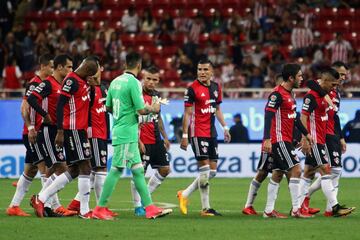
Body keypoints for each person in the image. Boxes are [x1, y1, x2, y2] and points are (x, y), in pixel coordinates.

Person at [92, 52, 172, 220]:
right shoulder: (134, 82)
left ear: (125, 64)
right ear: (139, 66)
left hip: (123, 130)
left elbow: (108, 107)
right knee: (116, 169)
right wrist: (154, 107)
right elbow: (142, 109)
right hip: (126, 133)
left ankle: (149, 208)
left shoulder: (114, 82)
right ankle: (100, 208)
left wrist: (125, 114)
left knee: (137, 170)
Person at [30, 56, 100, 219]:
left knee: (75, 170)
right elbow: (61, 104)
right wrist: (60, 131)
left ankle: (41, 198)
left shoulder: (83, 82)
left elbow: (87, 107)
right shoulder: (72, 81)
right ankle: (84, 211)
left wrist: (92, 86)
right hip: (72, 129)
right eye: (93, 74)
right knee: (85, 167)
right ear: (88, 70)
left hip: (80, 130)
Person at [299, 67, 355, 217]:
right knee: (326, 171)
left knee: (308, 172)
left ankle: (299, 205)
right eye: (333, 84)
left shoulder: (327, 94)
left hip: (322, 138)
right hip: (315, 139)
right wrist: (305, 137)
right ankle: (334, 207)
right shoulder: (311, 97)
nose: (335, 87)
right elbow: (303, 117)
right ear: (324, 81)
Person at [178, 58, 231, 217]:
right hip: (197, 132)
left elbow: (217, 109)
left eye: (205, 70)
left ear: (211, 72)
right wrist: (185, 135)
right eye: (199, 69)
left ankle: (185, 194)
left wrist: (225, 127)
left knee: (212, 172)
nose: (202, 72)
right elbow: (187, 114)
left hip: (211, 133)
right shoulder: (191, 89)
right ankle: (206, 208)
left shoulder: (216, 87)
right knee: (205, 170)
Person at [27, 54, 76, 217]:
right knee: (63, 168)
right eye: (69, 67)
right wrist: (44, 114)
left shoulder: (62, 84)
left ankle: (45, 204)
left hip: (58, 129)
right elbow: (32, 99)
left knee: (53, 169)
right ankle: (41, 200)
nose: (71, 70)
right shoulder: (47, 83)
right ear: (60, 67)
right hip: (49, 130)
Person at [261, 63, 313, 218]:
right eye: (299, 76)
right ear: (291, 78)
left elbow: (294, 117)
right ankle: (296, 209)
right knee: (297, 170)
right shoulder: (277, 94)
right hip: (279, 139)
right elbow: (268, 115)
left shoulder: (291, 95)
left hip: (287, 139)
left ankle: (268, 211)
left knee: (277, 173)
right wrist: (267, 139)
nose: (302, 78)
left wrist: (306, 133)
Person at [6, 53, 53, 216]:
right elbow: (24, 107)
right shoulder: (35, 84)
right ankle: (51, 206)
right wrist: (31, 127)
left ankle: (14, 206)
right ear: (43, 66)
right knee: (45, 169)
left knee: (30, 171)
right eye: (51, 67)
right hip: (32, 133)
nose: (53, 70)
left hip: (34, 132)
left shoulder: (43, 83)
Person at [67, 64, 112, 215]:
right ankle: (101, 208)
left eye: (99, 68)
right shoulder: (86, 87)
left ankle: (76, 203)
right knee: (98, 169)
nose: (97, 71)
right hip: (92, 132)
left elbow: (108, 109)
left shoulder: (105, 88)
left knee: (94, 170)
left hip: (103, 132)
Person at [130, 66, 171, 216]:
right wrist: (137, 140)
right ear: (143, 78)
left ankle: (144, 200)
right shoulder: (136, 94)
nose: (151, 82)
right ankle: (138, 207)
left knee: (165, 169)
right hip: (141, 139)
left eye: (155, 80)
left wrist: (165, 136)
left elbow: (158, 117)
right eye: (148, 79)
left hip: (155, 138)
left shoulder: (156, 95)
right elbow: (132, 119)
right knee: (139, 173)